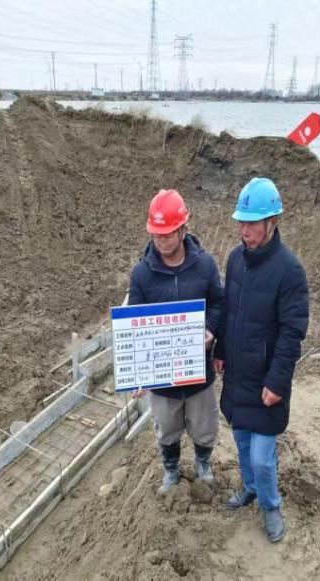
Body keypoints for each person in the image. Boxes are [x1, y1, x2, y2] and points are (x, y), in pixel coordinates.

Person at [213, 177, 309, 543]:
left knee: (262, 457)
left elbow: (292, 333)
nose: (244, 230)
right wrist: (220, 351)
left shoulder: (289, 271)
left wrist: (277, 381)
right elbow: (229, 312)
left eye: (252, 223)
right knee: (241, 441)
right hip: (238, 375)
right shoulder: (235, 260)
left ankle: (270, 505)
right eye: (241, 222)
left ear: (272, 222)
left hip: (266, 380)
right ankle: (250, 489)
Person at [128, 189, 225, 494]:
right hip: (162, 379)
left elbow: (218, 303)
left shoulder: (205, 265)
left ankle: (203, 463)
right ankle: (171, 470)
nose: (163, 240)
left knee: (204, 426)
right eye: (157, 234)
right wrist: (138, 372)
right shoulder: (142, 274)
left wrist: (210, 329)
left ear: (183, 228)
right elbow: (133, 324)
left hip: (198, 372)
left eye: (169, 233)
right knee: (166, 429)